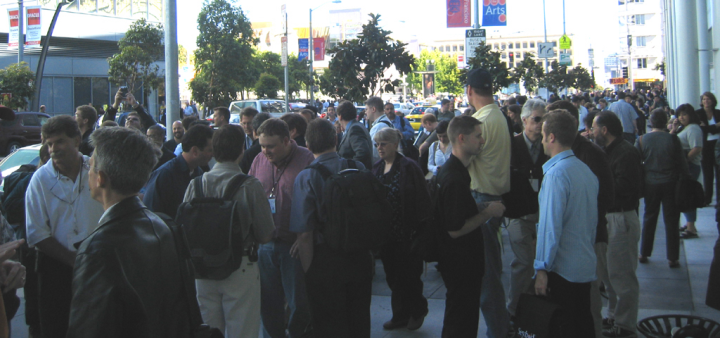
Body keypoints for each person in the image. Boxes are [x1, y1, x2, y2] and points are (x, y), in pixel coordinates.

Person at [66, 127, 193, 337]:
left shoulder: (98, 249)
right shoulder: (162, 226)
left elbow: (88, 328)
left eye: (90, 167)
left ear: (101, 178)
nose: (87, 173)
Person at [183, 125, 275, 338]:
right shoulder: (250, 186)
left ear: (213, 151)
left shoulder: (195, 185)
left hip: (203, 268)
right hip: (240, 265)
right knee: (243, 330)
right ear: (242, 149)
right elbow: (265, 233)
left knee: (208, 328)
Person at [290, 119, 373, 337]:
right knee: (359, 318)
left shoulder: (306, 177)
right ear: (335, 139)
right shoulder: (359, 168)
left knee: (329, 324)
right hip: (360, 256)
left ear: (307, 145)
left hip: (325, 259)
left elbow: (305, 234)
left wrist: (309, 273)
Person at [25, 116, 104, 338]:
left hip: (98, 266)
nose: (53, 149)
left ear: (77, 140)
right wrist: (72, 259)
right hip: (55, 273)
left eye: (59, 142)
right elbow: (36, 234)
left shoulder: (97, 170)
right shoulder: (39, 180)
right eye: (49, 144)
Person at [547, 99, 614, 338]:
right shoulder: (569, 154)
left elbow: (602, 198)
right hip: (572, 245)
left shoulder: (587, 154)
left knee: (589, 305)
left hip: (588, 240)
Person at [437, 115, 505, 337]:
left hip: (461, 263)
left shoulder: (455, 171)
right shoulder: (454, 177)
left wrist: (481, 205)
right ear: (462, 138)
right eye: (478, 136)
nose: (482, 141)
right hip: (460, 263)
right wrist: (487, 213)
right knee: (461, 321)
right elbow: (455, 229)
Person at [534, 109, 598, 338]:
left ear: (551, 137)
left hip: (563, 271)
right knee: (582, 322)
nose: (541, 140)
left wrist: (541, 268)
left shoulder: (556, 174)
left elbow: (550, 228)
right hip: (583, 265)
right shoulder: (585, 171)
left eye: (543, 135)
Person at [248, 118, 314, 338]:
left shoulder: (307, 160)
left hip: (294, 246)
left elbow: (317, 204)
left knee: (299, 303)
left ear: (287, 140)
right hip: (265, 244)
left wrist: (305, 238)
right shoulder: (258, 160)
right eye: (262, 145)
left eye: (271, 146)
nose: (266, 151)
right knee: (268, 303)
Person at [465, 68, 512, 338]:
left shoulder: (481, 121)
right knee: (490, 273)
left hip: (483, 201)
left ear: (469, 90)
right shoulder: (497, 115)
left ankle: (498, 331)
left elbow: (463, 160)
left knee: (487, 279)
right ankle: (500, 327)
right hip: (491, 199)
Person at [371, 128, 431, 331]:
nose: (379, 148)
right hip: (386, 235)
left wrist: (420, 230)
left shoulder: (408, 167)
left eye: (383, 143)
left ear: (395, 145)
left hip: (407, 233)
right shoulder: (377, 167)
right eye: (377, 144)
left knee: (409, 276)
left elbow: (422, 199)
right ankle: (400, 315)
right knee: (392, 276)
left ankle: (417, 309)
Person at [591, 111, 643, 338]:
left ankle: (625, 324)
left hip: (620, 218)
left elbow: (627, 187)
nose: (591, 132)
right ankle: (614, 315)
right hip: (610, 217)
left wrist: (597, 186)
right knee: (610, 275)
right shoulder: (609, 151)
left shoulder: (626, 152)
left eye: (593, 128)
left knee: (622, 276)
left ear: (604, 130)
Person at [505, 99, 549, 318]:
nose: (541, 124)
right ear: (524, 120)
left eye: (544, 119)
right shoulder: (511, 146)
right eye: (537, 119)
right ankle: (514, 312)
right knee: (523, 263)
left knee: (544, 265)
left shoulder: (549, 146)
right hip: (519, 214)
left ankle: (538, 313)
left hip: (544, 214)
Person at [637, 109, 689, 268]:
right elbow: (682, 163)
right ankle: (673, 257)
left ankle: (644, 252)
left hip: (651, 183)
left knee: (649, 217)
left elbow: (636, 163)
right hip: (670, 183)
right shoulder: (673, 139)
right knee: (671, 219)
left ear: (650, 122)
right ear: (665, 122)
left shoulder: (641, 140)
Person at [143, 124, 214, 220]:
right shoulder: (164, 175)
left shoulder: (198, 172)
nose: (212, 154)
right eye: (209, 150)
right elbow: (152, 215)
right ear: (195, 151)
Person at [670, 104, 703, 239]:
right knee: (683, 194)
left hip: (690, 167)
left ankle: (691, 228)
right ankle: (689, 223)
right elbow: (670, 139)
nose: (681, 117)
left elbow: (697, 148)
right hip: (684, 167)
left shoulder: (694, 129)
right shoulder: (684, 128)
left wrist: (684, 162)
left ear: (691, 115)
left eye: (684, 114)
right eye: (679, 115)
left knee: (687, 195)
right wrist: (674, 128)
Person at [696, 92, 720, 206]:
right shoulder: (699, 114)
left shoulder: (718, 113)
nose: (706, 101)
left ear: (713, 101)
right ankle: (707, 198)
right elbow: (701, 130)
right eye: (704, 99)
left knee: (718, 172)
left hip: (718, 145)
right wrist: (716, 126)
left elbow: (706, 129)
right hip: (706, 146)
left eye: (708, 99)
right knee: (708, 173)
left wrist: (708, 128)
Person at [336, 101, 372, 169]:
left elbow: (362, 153)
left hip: (356, 177)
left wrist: (348, 168)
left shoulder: (354, 129)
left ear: (340, 116)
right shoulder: (355, 127)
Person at [366, 97, 392, 163]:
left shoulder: (378, 127)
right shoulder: (386, 122)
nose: (366, 112)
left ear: (373, 109)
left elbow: (373, 153)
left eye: (366, 109)